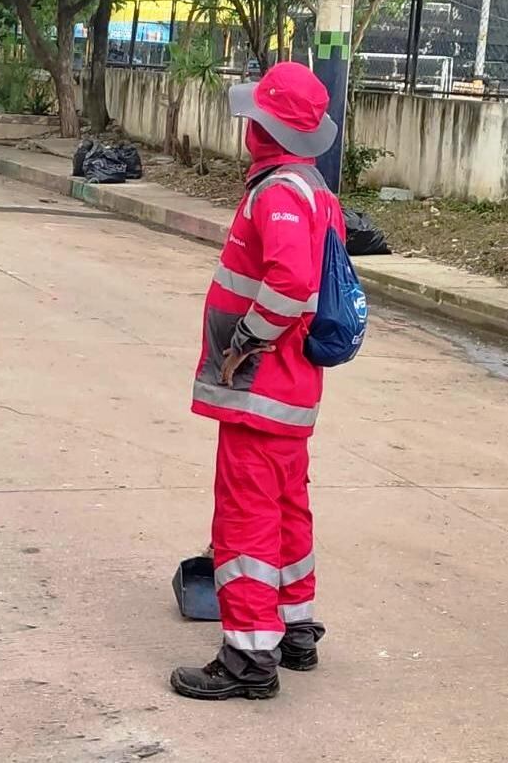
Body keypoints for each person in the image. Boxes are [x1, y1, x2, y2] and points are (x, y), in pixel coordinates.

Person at [171, 62, 345, 701]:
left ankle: (248, 659)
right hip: (295, 391)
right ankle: (295, 629)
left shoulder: (277, 194)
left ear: (267, 129)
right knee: (288, 508)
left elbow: (291, 284)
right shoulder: (317, 193)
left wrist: (244, 343)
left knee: (245, 520)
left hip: (262, 389)